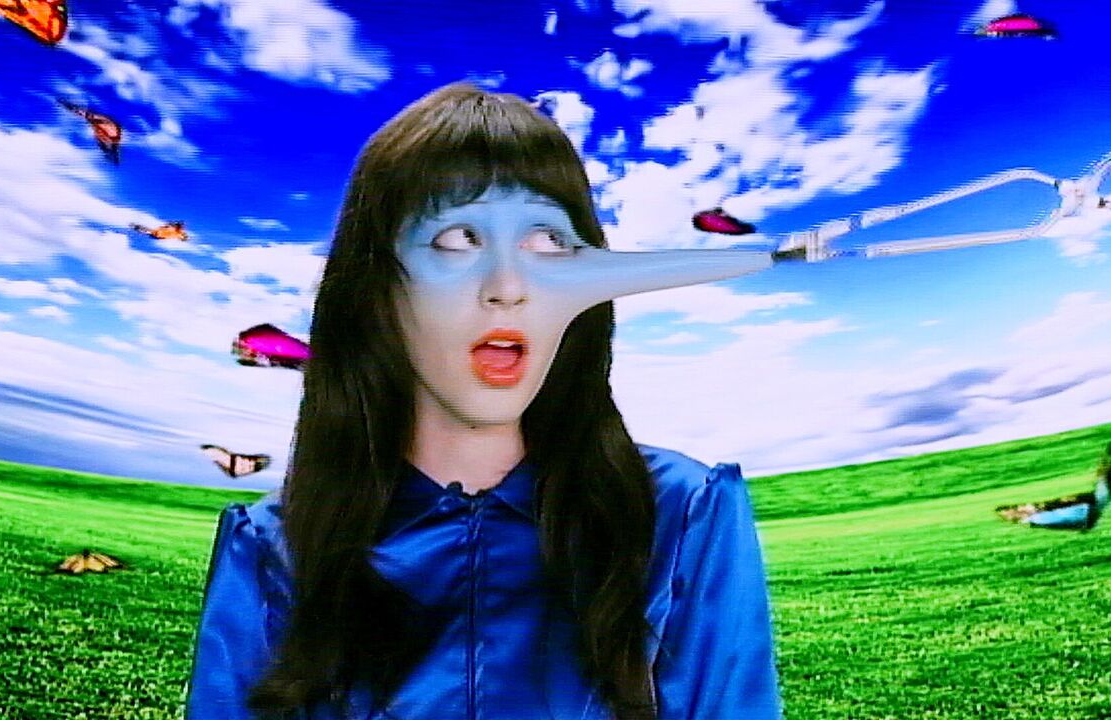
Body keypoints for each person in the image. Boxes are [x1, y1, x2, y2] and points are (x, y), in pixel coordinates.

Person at [185, 82, 781, 720]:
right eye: (456, 239)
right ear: (376, 288)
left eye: (547, 241)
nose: (507, 287)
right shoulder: (270, 548)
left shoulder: (681, 514)